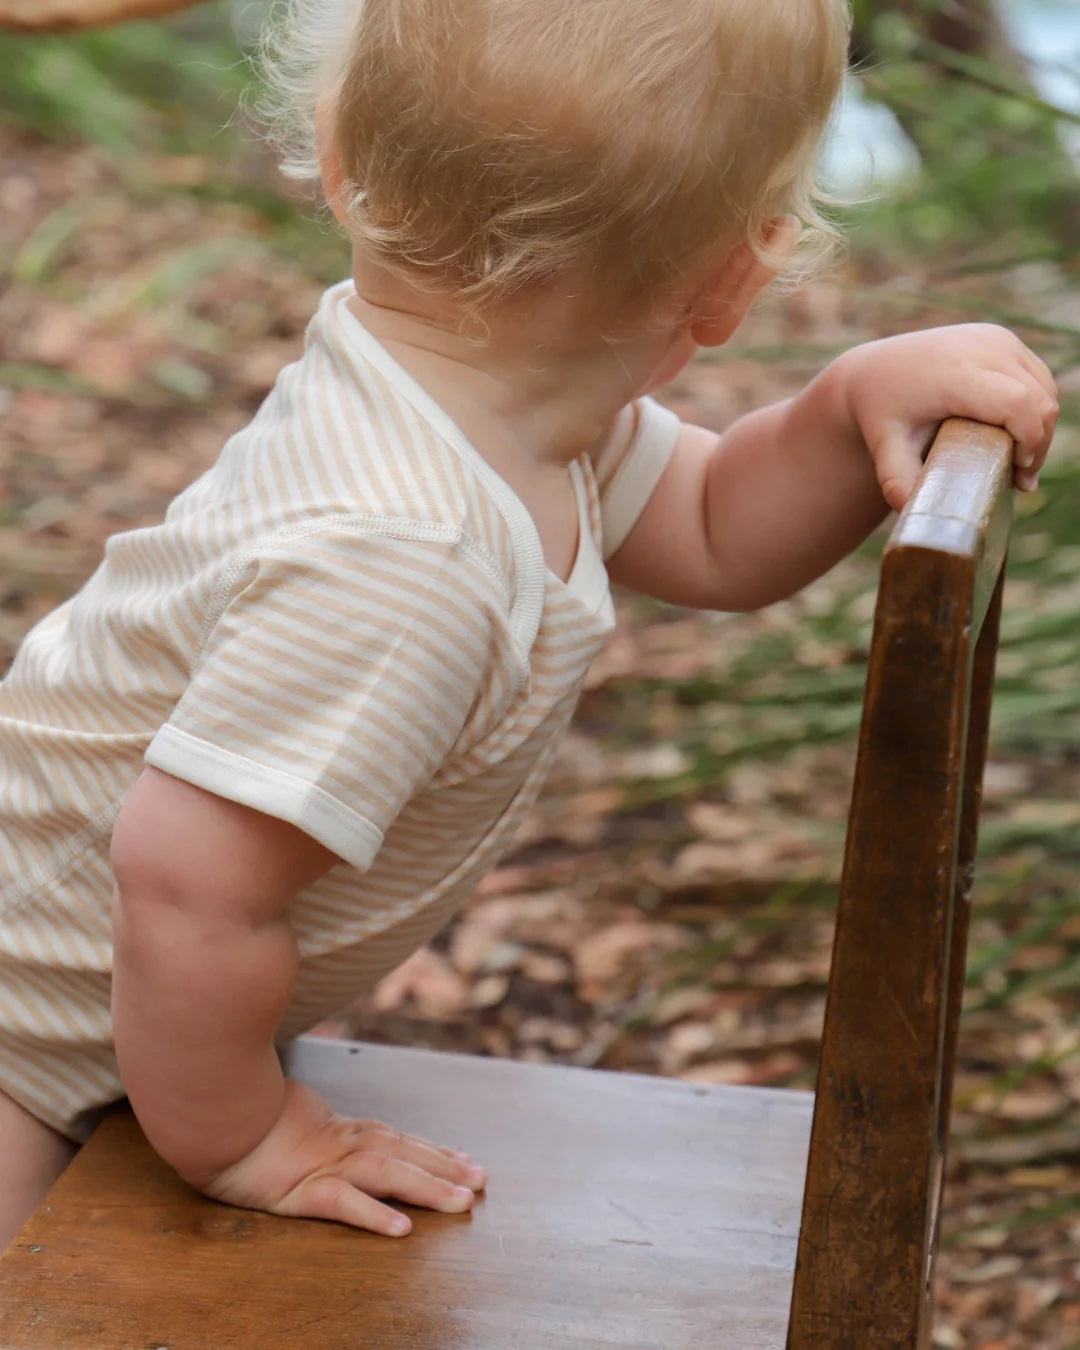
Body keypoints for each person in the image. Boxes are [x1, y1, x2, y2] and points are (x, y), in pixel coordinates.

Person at [0, 0, 1057, 1249]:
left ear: (340, 156)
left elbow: (715, 525)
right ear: (736, 278)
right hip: (25, 1038)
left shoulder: (510, 421)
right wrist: (245, 1137)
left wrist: (843, 407)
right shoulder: (405, 556)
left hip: (115, 1010)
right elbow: (179, 887)